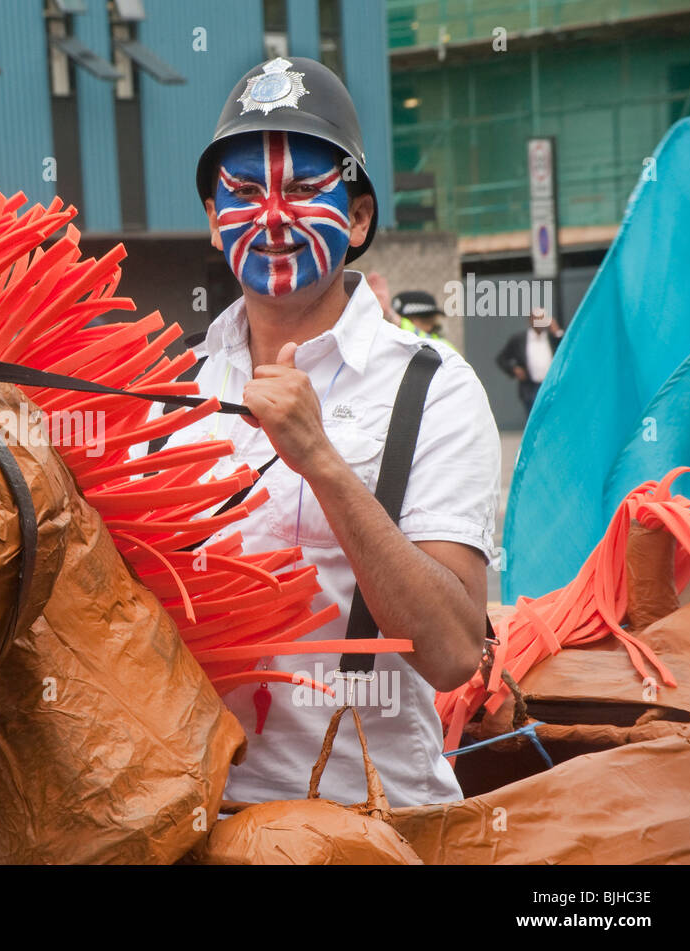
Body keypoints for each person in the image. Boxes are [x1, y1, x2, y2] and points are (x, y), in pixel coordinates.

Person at [172, 57, 500, 809]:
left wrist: (320, 458)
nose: (274, 217)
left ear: (356, 220)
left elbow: (453, 653)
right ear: (215, 222)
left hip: (370, 826)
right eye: (246, 193)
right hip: (191, 823)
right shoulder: (167, 389)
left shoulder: (433, 386)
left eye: (307, 190)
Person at [496, 306, 562, 417]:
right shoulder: (520, 339)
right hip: (530, 387)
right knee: (534, 416)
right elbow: (502, 358)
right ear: (531, 320)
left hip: (550, 385)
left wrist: (557, 332)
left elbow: (565, 351)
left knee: (551, 416)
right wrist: (514, 369)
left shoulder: (551, 338)